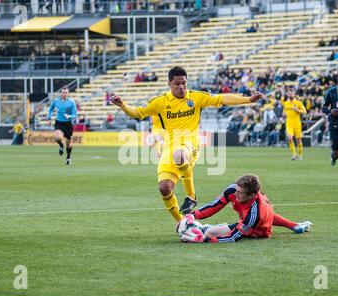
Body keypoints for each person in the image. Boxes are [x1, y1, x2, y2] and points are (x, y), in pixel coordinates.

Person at [110, 66, 263, 222]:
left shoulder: (196, 97)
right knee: (164, 187)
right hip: (169, 148)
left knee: (179, 154)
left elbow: (222, 98)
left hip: (191, 144)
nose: (181, 87)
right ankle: (183, 223)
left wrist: (248, 100)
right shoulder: (160, 102)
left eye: (184, 83)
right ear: (169, 84)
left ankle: (191, 196)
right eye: (177, 84)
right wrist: (122, 104)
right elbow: (137, 112)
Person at [176, 174, 313, 243]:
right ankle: (295, 226)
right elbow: (214, 206)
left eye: (240, 193)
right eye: (236, 190)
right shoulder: (233, 190)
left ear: (252, 195)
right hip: (257, 219)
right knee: (208, 231)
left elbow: (234, 236)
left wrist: (207, 240)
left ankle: (206, 229)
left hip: (259, 232)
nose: (235, 195)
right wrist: (192, 215)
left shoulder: (255, 213)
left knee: (209, 233)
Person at [48, 86, 77, 165]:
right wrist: (49, 118)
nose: (64, 94)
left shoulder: (71, 102)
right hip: (59, 122)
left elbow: (75, 114)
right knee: (57, 137)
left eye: (66, 93)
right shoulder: (56, 101)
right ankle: (61, 145)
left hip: (68, 124)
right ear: (61, 93)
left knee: (68, 143)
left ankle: (68, 157)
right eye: (63, 92)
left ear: (68, 94)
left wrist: (69, 116)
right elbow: (50, 109)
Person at [283, 87, 306, 160]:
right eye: (289, 93)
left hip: (297, 124)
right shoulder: (286, 103)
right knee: (289, 138)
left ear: (294, 94)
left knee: (298, 140)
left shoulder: (299, 103)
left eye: (291, 93)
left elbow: (305, 112)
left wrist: (298, 110)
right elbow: (284, 112)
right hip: (289, 124)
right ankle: (294, 154)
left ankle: (300, 155)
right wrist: (284, 114)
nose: (290, 94)